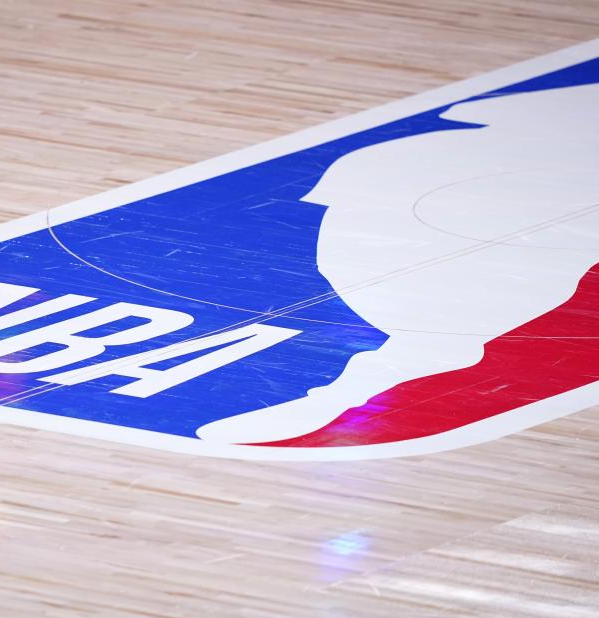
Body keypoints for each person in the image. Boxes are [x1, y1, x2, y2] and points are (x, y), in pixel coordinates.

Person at [197, 82, 599, 444]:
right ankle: (350, 388)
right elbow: (489, 112)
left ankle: (344, 393)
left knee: (442, 330)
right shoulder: (412, 163)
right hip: (411, 203)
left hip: (464, 225)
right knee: (436, 326)